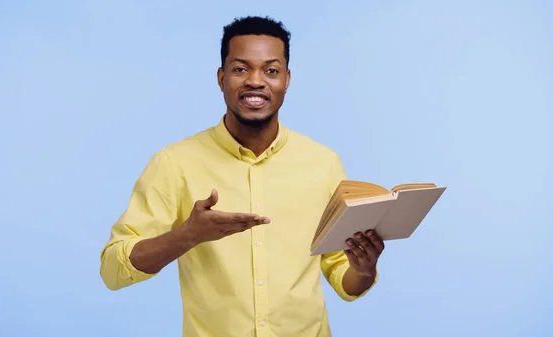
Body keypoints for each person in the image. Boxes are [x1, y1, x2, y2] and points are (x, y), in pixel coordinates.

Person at [100, 15, 385, 337]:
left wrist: (363, 269)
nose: (255, 81)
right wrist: (188, 235)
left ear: (287, 80)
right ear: (221, 78)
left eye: (271, 70)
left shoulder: (323, 162)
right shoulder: (174, 163)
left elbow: (340, 273)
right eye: (240, 69)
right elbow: (113, 270)